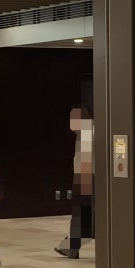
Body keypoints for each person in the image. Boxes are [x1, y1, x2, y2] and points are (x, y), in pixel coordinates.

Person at [56, 107, 94, 258]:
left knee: (81, 215)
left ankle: (71, 246)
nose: (70, 124)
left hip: (86, 181)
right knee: (83, 216)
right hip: (88, 180)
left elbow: (85, 163)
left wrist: (80, 185)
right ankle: (70, 246)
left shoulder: (86, 134)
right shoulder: (87, 132)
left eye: (73, 120)